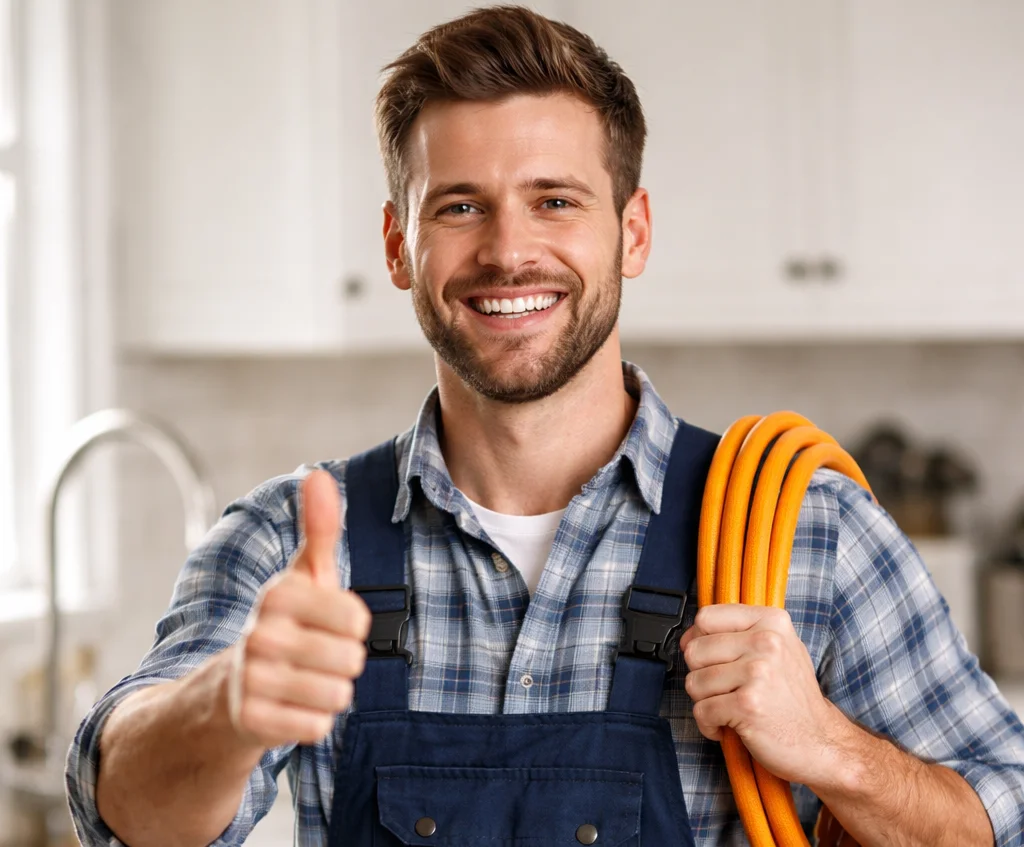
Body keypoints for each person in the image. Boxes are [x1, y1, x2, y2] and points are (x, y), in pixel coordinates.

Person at [66, 6, 1024, 846]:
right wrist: (226, 707)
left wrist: (831, 748)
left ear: (632, 232)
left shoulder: (809, 536)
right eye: (460, 206)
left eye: (554, 201)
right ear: (398, 246)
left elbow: (1001, 816)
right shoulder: (291, 545)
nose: (508, 250)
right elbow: (125, 816)